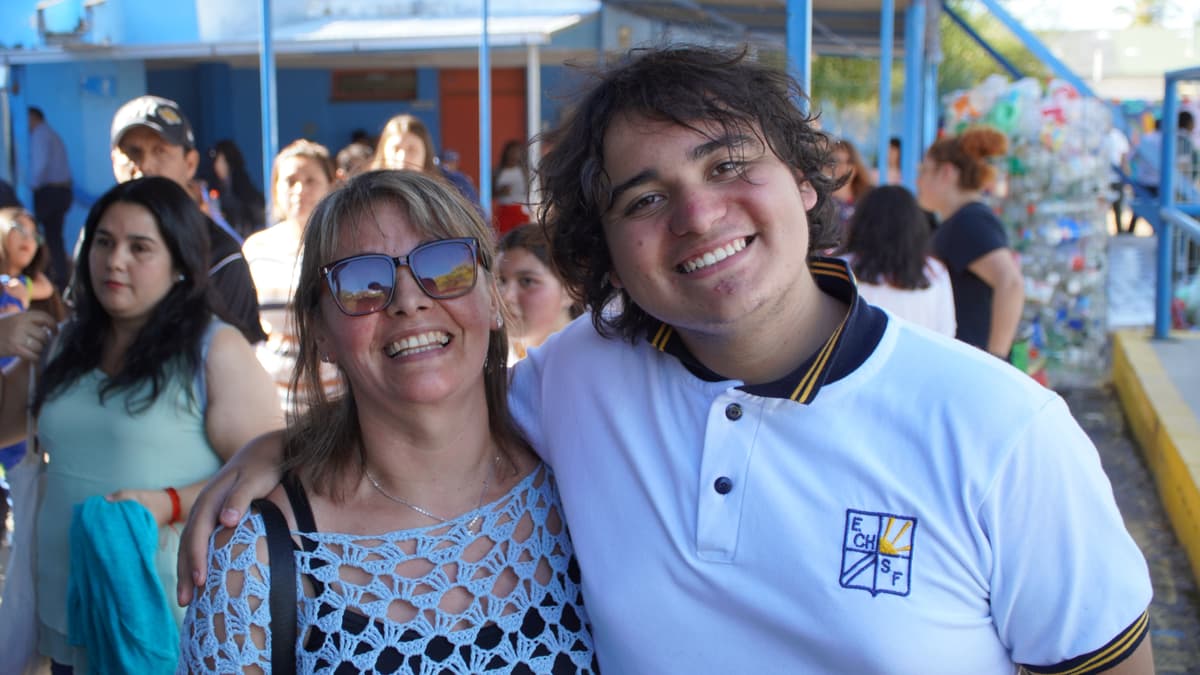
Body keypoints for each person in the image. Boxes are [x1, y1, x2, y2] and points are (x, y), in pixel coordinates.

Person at [180, 46, 1153, 674]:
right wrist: (279, 457)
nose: (698, 215)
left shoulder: (1003, 433)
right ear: (606, 250)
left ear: (806, 180)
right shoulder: (577, 382)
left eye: (730, 165)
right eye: (644, 197)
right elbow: (422, 406)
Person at [178, 170, 597, 672]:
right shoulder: (254, 557)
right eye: (361, 282)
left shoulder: (582, 480)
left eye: (445, 265)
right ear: (321, 334)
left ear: (492, 299)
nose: (408, 300)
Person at [0, 176, 282, 672]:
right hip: (65, 612)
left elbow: (269, 476)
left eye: (140, 247)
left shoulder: (214, 352)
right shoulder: (62, 344)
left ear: (179, 264)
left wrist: (167, 502)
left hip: (165, 622)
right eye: (103, 242)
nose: (115, 261)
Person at [110, 95, 266, 344]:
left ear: (190, 163)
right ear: (114, 161)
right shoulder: (95, 241)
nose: (145, 166)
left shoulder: (219, 253)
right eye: (132, 152)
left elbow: (237, 359)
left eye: (160, 151)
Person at [242, 139, 338, 411]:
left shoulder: (345, 244)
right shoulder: (256, 247)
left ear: (330, 185)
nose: (299, 190)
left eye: (311, 180)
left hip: (336, 400)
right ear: (275, 188)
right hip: (271, 399)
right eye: (290, 180)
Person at [918, 126, 1025, 360]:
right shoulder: (960, 220)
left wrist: (996, 359)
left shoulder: (970, 221)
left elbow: (1011, 283)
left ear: (946, 173)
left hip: (975, 363)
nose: (919, 181)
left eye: (925, 171)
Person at [0, 207, 67, 548]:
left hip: (19, 408)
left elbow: (44, 285)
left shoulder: (22, 286)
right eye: (18, 229)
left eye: (34, 233)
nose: (28, 240)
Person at [839, 186, 956, 336]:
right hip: (919, 357)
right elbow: (947, 330)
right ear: (916, 225)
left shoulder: (842, 267)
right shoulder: (935, 271)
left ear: (862, 222)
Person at [497, 223, 583, 362]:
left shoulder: (590, 363)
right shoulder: (496, 363)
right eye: (501, 280)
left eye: (527, 281)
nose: (506, 297)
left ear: (570, 289)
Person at [371, 114, 480, 207]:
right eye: (396, 149)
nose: (402, 158)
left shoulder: (455, 185)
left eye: (412, 150)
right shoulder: (369, 189)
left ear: (426, 152)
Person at [27, 106, 73, 288]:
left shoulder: (40, 134)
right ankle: (60, 278)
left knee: (33, 234)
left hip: (50, 193)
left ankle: (42, 278)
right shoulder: (50, 133)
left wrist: (30, 187)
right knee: (54, 237)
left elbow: (40, 165)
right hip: (61, 193)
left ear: (33, 117)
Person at [207, 139, 266, 238]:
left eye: (220, 161)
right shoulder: (215, 187)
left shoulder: (243, 187)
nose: (216, 166)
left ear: (229, 163)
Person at [829, 138, 873, 243]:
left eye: (849, 162)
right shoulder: (818, 199)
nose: (843, 167)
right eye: (837, 161)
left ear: (856, 165)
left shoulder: (868, 199)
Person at [493, 140, 530, 235]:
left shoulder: (524, 171)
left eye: (517, 152)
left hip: (520, 208)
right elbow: (491, 192)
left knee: (521, 237)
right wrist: (500, 192)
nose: (514, 155)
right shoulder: (498, 172)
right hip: (504, 209)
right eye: (512, 152)